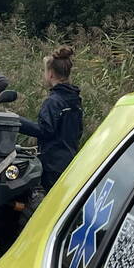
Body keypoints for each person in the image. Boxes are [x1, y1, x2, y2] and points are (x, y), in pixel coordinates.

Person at [18, 46, 83, 190]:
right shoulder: (75, 100)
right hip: (70, 161)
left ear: (51, 74)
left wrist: (17, 121)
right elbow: (78, 131)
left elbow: (45, 130)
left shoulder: (53, 101)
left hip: (52, 165)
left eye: (45, 71)